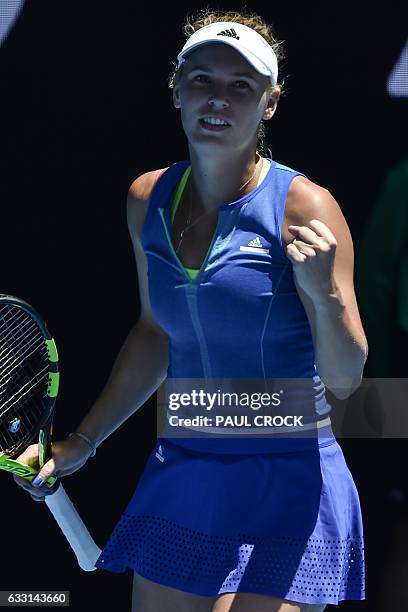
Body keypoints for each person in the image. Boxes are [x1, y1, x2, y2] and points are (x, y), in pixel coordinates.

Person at [13, 9, 368, 612]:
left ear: (270, 103)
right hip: (186, 472)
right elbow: (155, 333)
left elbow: (346, 378)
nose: (218, 100)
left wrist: (321, 291)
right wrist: (81, 441)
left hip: (287, 476)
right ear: (176, 88)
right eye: (202, 79)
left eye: (241, 86)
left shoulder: (305, 206)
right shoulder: (146, 198)